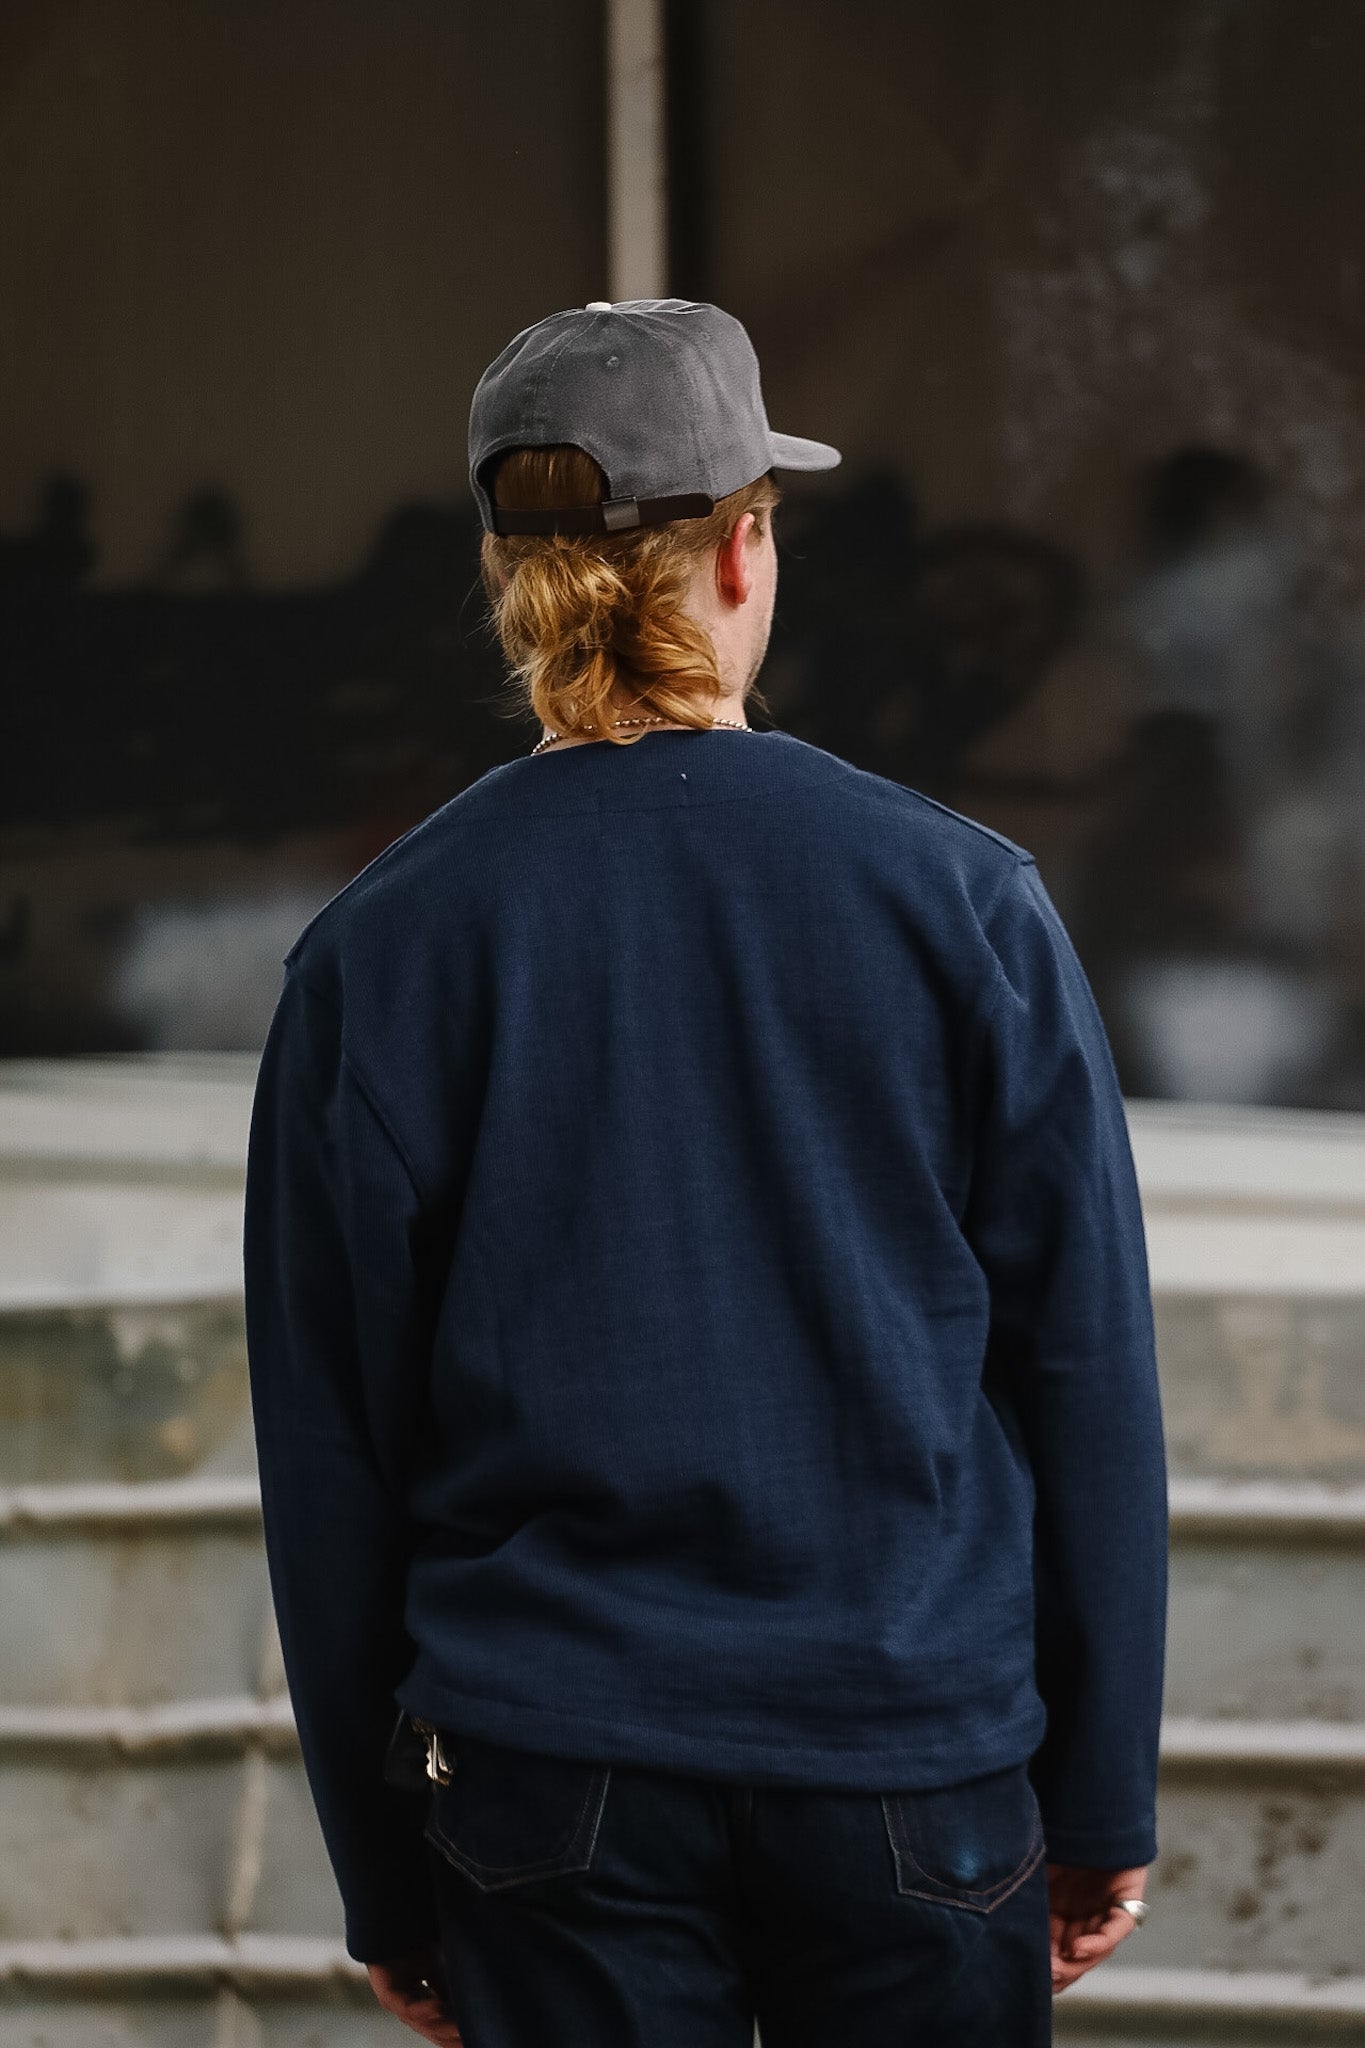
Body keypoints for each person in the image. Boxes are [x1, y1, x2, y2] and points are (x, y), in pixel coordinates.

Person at [243, 299, 1168, 2048]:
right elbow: (1084, 1373)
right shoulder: (963, 903)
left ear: (512, 581)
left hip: (547, 1781)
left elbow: (334, 1453)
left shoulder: (382, 951)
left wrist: (387, 1872)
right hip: (912, 1761)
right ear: (744, 550)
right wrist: (1100, 1793)